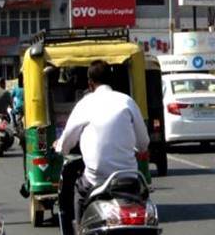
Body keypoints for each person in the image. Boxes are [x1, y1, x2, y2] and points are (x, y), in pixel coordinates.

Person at [54, 60, 150, 226]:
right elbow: (143, 143)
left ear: (90, 83)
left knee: (79, 194)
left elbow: (67, 141)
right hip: (129, 179)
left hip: (96, 180)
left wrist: (59, 146)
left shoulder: (85, 104)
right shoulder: (127, 101)